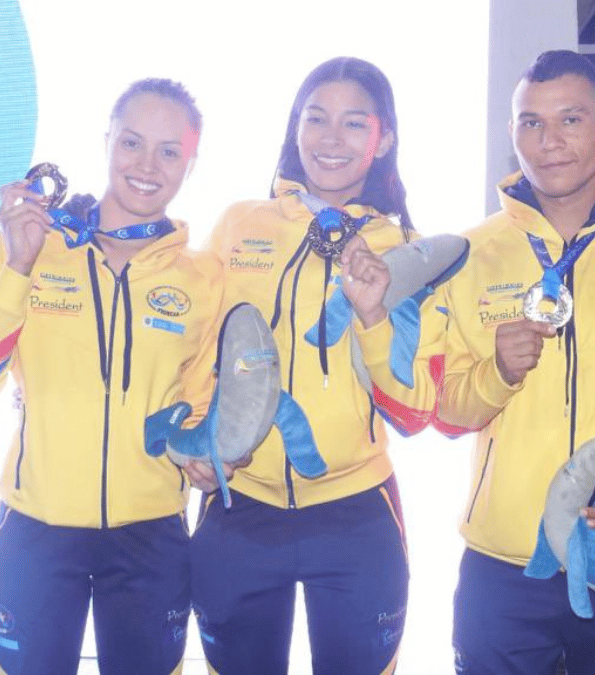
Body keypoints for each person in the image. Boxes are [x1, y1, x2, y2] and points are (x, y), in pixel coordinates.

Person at [0, 78, 220, 674]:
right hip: (37, 535)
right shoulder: (32, 242)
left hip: (150, 538)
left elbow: (200, 404)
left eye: (169, 151)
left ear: (190, 164)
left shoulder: (203, 278)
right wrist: (17, 265)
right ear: (107, 143)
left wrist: (208, 456)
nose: (147, 165)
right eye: (132, 142)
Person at [184, 56, 440, 675]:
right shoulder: (240, 224)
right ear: (293, 128)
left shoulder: (407, 251)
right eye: (316, 118)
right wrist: (196, 437)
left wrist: (375, 315)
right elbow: (195, 354)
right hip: (236, 505)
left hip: (355, 517)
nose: (331, 139)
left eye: (355, 124)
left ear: (385, 140)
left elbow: (415, 409)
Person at [432, 50, 595, 675]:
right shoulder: (470, 252)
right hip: (505, 561)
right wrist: (497, 374)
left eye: (570, 120)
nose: (548, 142)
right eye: (529, 122)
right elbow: (446, 414)